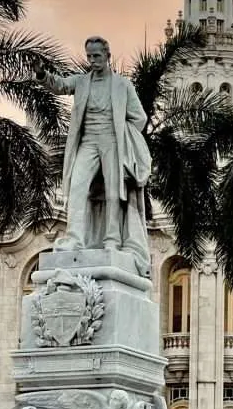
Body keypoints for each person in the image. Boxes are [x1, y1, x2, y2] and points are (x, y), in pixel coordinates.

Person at [34, 37, 152, 274]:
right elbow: (60, 85)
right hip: (87, 142)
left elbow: (139, 117)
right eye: (89, 56)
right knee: (77, 188)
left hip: (112, 142)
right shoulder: (81, 82)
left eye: (96, 56)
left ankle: (112, 239)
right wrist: (42, 75)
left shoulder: (122, 85)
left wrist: (124, 133)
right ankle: (75, 239)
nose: (92, 60)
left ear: (107, 55)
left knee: (113, 192)